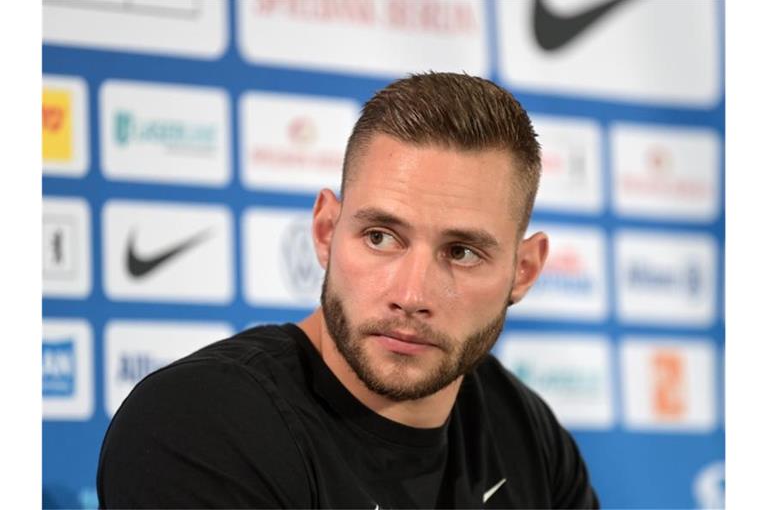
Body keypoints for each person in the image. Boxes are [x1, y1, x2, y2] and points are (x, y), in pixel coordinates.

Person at [97, 72, 599, 509]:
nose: (411, 293)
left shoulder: (525, 434)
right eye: (380, 238)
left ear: (523, 271)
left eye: (462, 252)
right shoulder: (201, 424)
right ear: (325, 232)